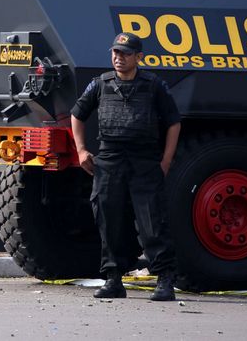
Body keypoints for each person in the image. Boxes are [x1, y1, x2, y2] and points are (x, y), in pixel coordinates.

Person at [71, 32, 181, 301]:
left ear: (138, 57)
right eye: (116, 53)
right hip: (110, 159)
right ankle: (113, 279)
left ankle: (164, 280)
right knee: (109, 220)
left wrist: (166, 160)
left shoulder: (153, 85)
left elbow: (173, 122)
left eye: (125, 54)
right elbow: (77, 114)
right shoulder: (100, 84)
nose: (119, 58)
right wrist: (81, 149)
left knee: (152, 221)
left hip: (144, 160)